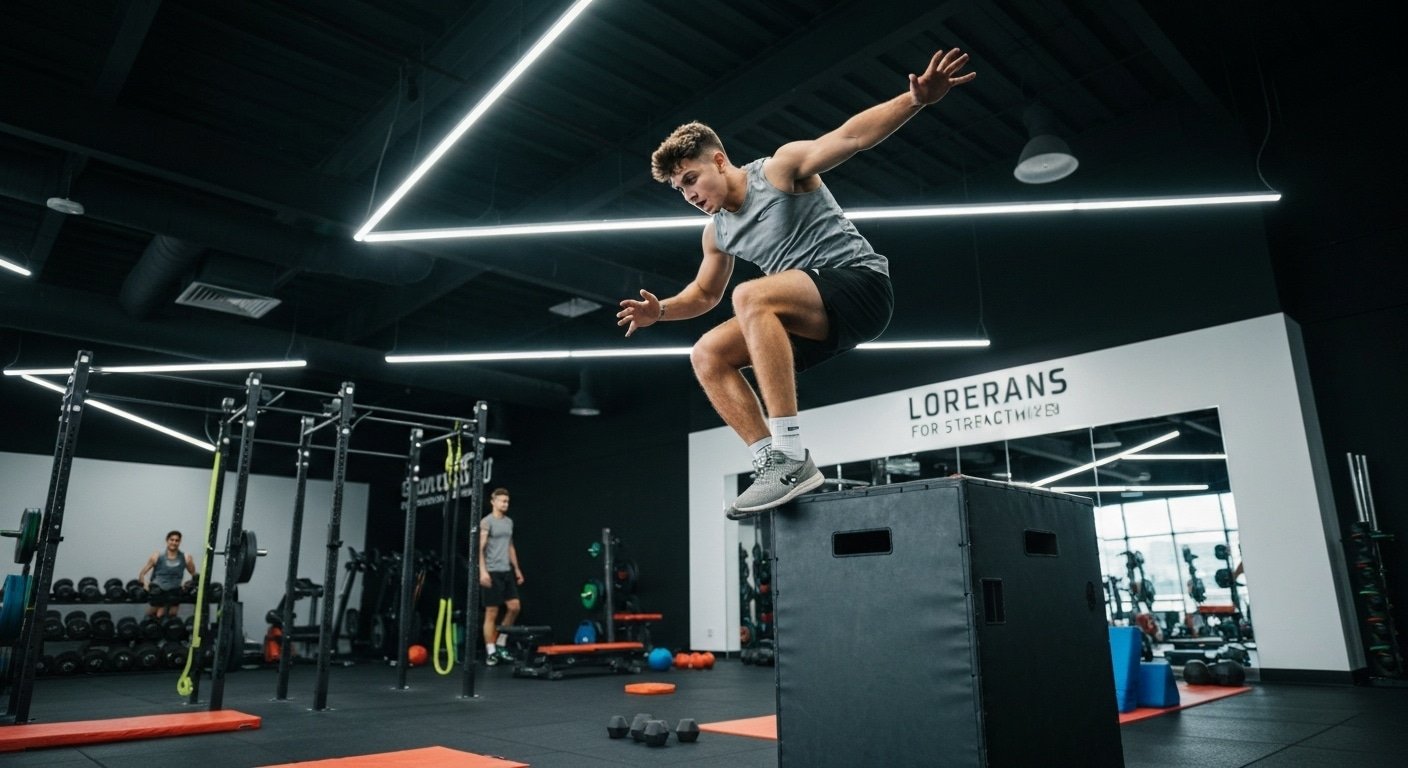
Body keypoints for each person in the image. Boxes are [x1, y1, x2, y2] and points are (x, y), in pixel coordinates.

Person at [618, 48, 976, 516]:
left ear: (720, 161)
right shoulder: (717, 233)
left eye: (693, 179)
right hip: (813, 316)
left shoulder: (778, 170)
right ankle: (770, 461)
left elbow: (850, 137)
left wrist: (918, 101)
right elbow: (704, 295)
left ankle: (790, 454)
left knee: (751, 295)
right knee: (707, 353)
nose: (692, 196)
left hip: (860, 287)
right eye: (682, 191)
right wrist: (660, 310)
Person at [478, 487, 524, 665]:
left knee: (514, 607)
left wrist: (517, 569)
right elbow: (480, 548)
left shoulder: (509, 522)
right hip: (491, 571)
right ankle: (491, 652)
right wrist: (482, 571)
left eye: (507, 501)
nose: (505, 504)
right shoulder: (486, 522)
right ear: (493, 502)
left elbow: (510, 546)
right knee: (492, 612)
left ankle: (501, 642)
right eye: (502, 501)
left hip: (506, 571)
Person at [138, 530, 196, 619]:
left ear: (180, 542)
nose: (174, 542)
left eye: (177, 540)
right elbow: (142, 574)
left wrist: (187, 585)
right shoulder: (157, 556)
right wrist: (146, 585)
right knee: (158, 614)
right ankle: (147, 625)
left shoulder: (186, 557)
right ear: (167, 540)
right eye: (172, 540)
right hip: (158, 588)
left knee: (172, 615)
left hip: (174, 589)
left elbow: (194, 574)